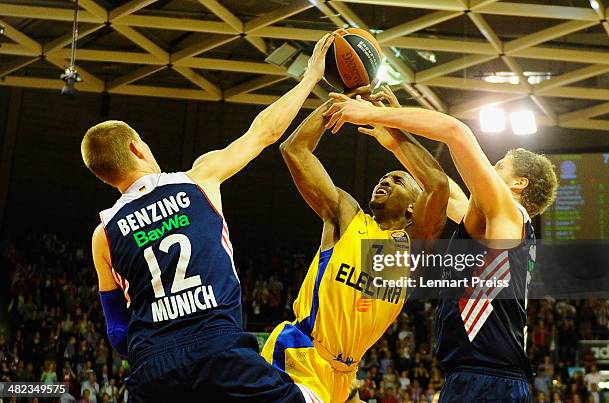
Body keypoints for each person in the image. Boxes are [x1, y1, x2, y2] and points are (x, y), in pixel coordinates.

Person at [81, 33, 335, 402]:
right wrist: (311, 76)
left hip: (152, 371)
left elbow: (118, 332)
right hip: (219, 348)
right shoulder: (198, 179)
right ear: (137, 148)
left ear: (102, 174)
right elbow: (264, 133)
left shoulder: (103, 234)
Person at [324, 92, 558, 402]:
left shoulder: (507, 214)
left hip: (487, 377)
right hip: (477, 375)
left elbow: (456, 132)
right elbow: (443, 191)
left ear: (519, 184)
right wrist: (398, 139)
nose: (488, 167)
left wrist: (371, 113)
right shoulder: (493, 222)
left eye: (499, 165)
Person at [261, 87, 450, 402]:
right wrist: (338, 100)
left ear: (414, 209)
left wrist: (392, 121)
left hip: (344, 375)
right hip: (301, 353)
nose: (384, 181)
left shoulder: (414, 247)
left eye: (397, 180)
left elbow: (438, 183)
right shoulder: (348, 218)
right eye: (382, 179)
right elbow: (295, 150)